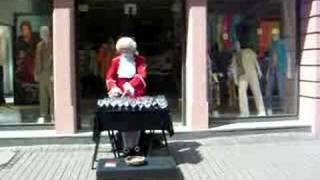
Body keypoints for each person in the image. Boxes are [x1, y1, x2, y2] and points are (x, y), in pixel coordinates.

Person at [105, 37, 147, 155]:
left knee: (136, 122)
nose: (125, 53)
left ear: (133, 49)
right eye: (122, 50)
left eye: (127, 50)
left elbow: (141, 75)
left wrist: (131, 86)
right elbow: (110, 77)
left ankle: (136, 146)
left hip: (136, 94)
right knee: (124, 122)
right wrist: (113, 87)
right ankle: (125, 147)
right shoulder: (115, 61)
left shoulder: (140, 60)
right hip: (121, 96)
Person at [35, 26, 53, 123]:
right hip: (42, 73)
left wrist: (54, 73)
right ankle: (43, 114)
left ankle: (53, 114)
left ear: (48, 33)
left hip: (50, 72)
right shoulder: (39, 45)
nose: (42, 34)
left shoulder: (53, 44)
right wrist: (36, 73)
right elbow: (36, 60)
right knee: (42, 95)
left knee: (52, 94)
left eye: (44, 32)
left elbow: (55, 60)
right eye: (41, 32)